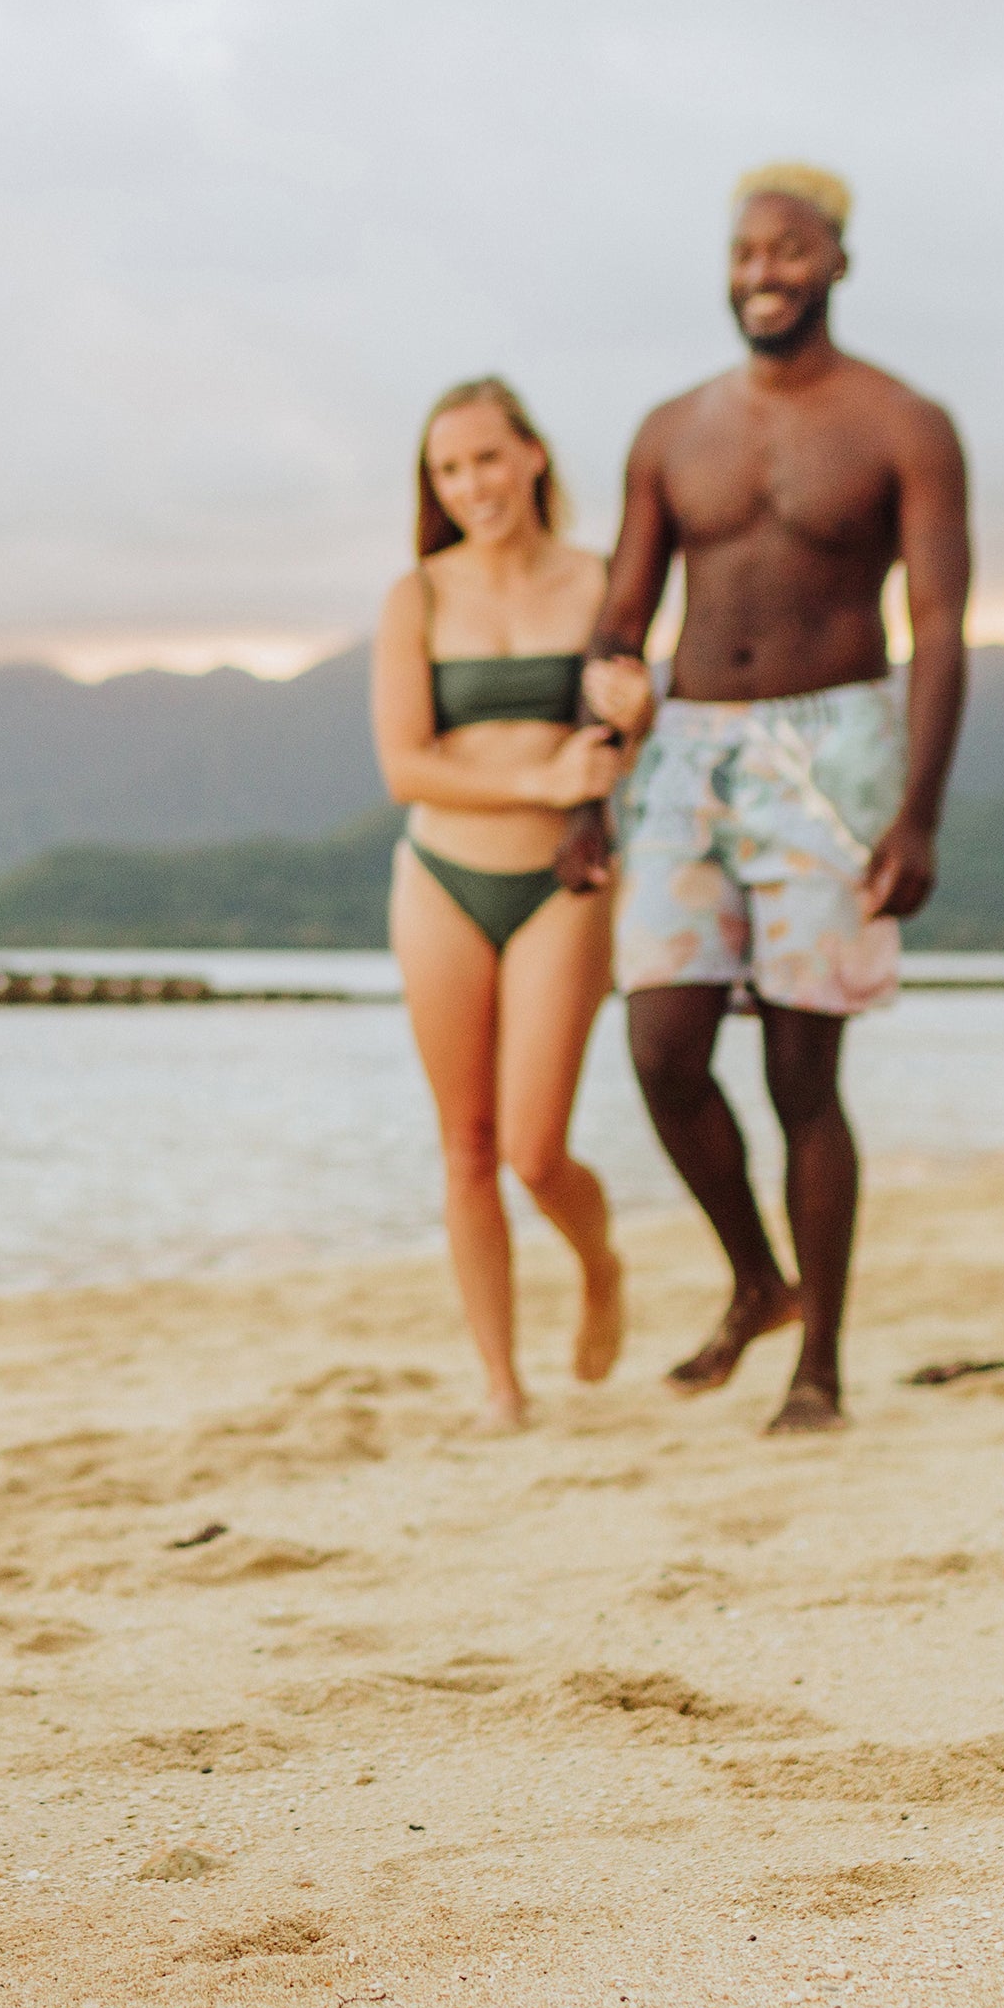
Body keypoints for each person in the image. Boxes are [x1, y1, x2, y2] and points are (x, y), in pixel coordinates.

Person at [562, 162, 971, 1436]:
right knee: (661, 1047)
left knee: (805, 1073)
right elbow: (622, 619)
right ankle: (755, 1279)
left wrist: (918, 813)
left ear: (837, 262)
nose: (764, 274)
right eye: (746, 254)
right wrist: (590, 786)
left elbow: (943, 628)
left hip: (837, 746)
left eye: (790, 252)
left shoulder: (904, 422)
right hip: (686, 753)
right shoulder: (670, 429)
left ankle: (821, 1371)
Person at [371, 379, 633, 1429]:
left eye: (487, 458)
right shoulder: (418, 597)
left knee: (534, 1149)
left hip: (562, 888)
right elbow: (404, 767)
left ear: (531, 456)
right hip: (440, 880)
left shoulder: (604, 581)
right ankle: (501, 1386)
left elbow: (623, 743)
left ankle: (600, 1263)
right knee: (467, 1149)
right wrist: (537, 781)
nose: (471, 484)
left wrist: (636, 713)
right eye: (449, 468)